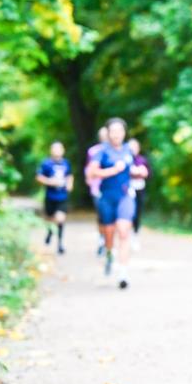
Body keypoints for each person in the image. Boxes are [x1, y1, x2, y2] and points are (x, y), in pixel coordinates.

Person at [85, 118, 147, 289]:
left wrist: (139, 171)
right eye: (113, 131)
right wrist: (113, 170)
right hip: (107, 197)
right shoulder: (102, 151)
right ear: (108, 133)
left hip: (125, 196)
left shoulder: (128, 150)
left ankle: (123, 273)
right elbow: (92, 173)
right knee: (109, 234)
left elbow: (131, 169)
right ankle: (109, 254)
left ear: (124, 133)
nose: (116, 134)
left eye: (120, 131)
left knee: (124, 231)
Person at [35, 141, 73, 255]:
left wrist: (70, 185)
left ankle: (60, 244)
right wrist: (50, 182)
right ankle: (50, 232)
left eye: (59, 149)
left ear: (63, 150)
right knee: (50, 219)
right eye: (55, 149)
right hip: (50, 196)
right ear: (51, 151)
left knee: (60, 219)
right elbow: (38, 177)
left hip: (62, 196)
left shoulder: (66, 163)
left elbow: (69, 175)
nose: (57, 151)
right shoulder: (46, 163)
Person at [85, 126, 108, 256]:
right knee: (102, 215)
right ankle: (101, 239)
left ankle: (108, 241)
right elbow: (88, 168)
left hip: (112, 188)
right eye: (102, 135)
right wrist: (89, 179)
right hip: (97, 188)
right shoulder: (93, 151)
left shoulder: (116, 151)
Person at [127, 138, 151, 251]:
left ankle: (135, 235)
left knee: (137, 213)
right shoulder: (125, 159)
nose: (133, 149)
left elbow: (149, 174)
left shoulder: (143, 160)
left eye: (135, 147)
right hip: (127, 189)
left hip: (139, 189)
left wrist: (143, 172)